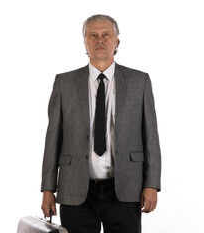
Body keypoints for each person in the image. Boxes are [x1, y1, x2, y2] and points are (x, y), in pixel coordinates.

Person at [41, 14, 161, 233]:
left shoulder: (139, 81)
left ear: (116, 41)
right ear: (85, 42)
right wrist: (48, 188)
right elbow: (53, 140)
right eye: (93, 35)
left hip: (125, 188)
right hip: (76, 191)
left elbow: (150, 136)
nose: (100, 40)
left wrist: (151, 184)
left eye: (106, 35)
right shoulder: (64, 83)